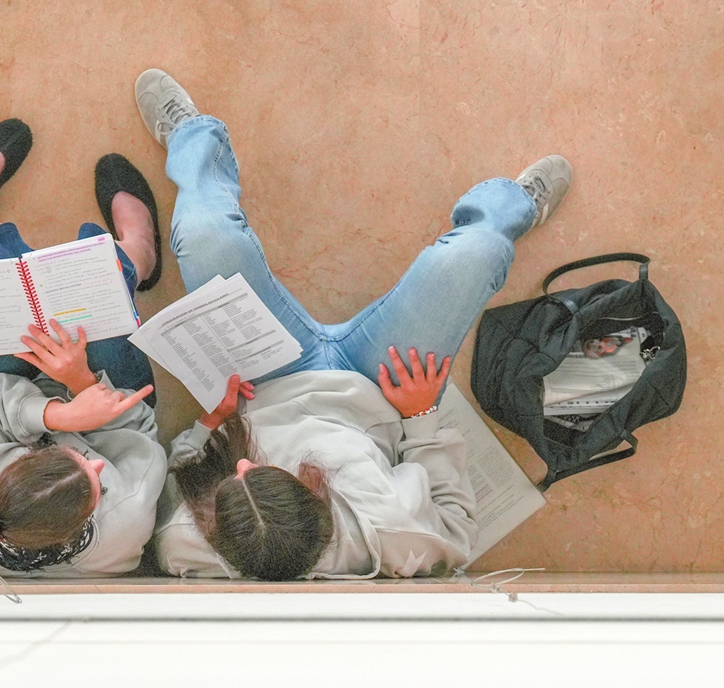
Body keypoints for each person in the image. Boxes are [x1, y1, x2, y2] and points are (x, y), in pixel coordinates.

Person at [136, 69, 572, 580]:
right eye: (261, 472)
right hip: (382, 390)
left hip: (262, 381)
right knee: (476, 256)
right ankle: (515, 206)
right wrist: (421, 418)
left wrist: (211, 422)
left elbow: (179, 474)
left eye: (236, 477)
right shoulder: (396, 540)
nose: (241, 464)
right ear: (317, 494)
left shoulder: (182, 545)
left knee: (206, 234)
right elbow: (457, 526)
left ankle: (193, 137)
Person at [0, 119, 167, 577]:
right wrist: (79, 385)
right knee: (102, 289)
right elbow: (141, 430)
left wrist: (55, 416)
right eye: (98, 477)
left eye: (71, 458)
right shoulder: (125, 523)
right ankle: (137, 254)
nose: (98, 468)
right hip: (104, 400)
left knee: (0, 276)